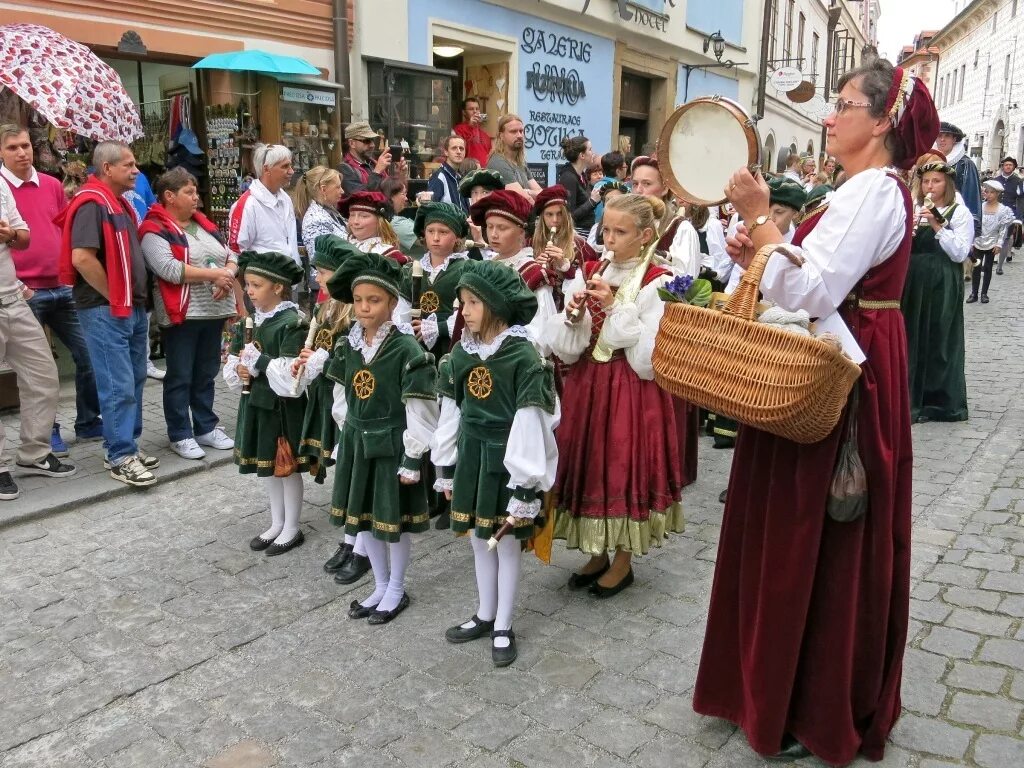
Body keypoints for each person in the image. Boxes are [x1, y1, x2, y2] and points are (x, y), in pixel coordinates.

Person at [694, 59, 939, 763]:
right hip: (825, 364)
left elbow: (811, 290)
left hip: (839, 379)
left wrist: (762, 221)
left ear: (883, 119)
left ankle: (809, 704)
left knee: (822, 536)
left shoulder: (873, 192)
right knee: (799, 530)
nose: (830, 115)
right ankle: (771, 688)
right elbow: (802, 273)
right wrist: (761, 246)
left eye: (844, 103)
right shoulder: (860, 188)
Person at [545, 193, 685, 597]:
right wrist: (575, 315)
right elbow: (571, 346)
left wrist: (613, 307)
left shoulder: (659, 279)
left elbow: (647, 358)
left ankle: (622, 559)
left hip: (630, 390)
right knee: (590, 462)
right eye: (606, 228)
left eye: (619, 231)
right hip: (589, 384)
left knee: (622, 465)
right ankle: (597, 552)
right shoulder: (592, 267)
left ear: (644, 236)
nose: (609, 238)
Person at [435, 260, 558, 665]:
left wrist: (525, 486)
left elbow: (531, 422)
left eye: (473, 302)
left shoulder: (522, 356)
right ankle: (484, 613)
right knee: (477, 540)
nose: (464, 310)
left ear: (497, 305)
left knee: (504, 545)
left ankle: (504, 622)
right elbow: (451, 413)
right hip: (472, 458)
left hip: (506, 461)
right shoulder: (460, 356)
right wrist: (447, 466)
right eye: (462, 302)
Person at [325, 251, 439, 624]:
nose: (363, 308)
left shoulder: (407, 349)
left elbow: (421, 411)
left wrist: (412, 456)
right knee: (363, 517)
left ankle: (397, 587)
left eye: (373, 300)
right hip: (359, 443)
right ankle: (379, 582)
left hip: (392, 444)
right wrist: (345, 436)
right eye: (358, 300)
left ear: (392, 302)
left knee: (394, 519)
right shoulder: (349, 345)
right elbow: (342, 397)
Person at [57, 141, 157, 488]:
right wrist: (117, 295)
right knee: (118, 384)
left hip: (127, 307)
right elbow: (81, 259)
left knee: (133, 379)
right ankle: (120, 455)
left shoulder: (114, 201)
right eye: (128, 165)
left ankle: (125, 445)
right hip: (106, 310)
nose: (136, 170)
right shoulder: (92, 203)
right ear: (106, 169)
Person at [0, 124, 102, 453]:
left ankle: (87, 421)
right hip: (22, 291)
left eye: (25, 145)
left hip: (60, 285)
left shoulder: (51, 184)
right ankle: (49, 431)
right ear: (1, 152)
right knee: (37, 370)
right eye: (13, 147)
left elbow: (62, 228)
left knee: (87, 354)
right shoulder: (2, 187)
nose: (22, 152)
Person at [139, 167, 239, 460]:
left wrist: (226, 275)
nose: (197, 198)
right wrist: (215, 275)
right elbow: (168, 269)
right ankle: (180, 433)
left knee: (206, 372)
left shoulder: (203, 224)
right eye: (189, 192)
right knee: (180, 375)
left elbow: (231, 255)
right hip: (182, 314)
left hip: (213, 310)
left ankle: (206, 426)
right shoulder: (153, 229)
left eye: (196, 191)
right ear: (169, 196)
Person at [222, 251, 308, 555]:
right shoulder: (248, 322)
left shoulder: (291, 323)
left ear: (278, 288)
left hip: (281, 408)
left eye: (256, 285)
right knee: (267, 466)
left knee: (286, 465)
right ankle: (276, 522)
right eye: (247, 284)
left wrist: (259, 362)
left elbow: (291, 376)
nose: (249, 291)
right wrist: (239, 370)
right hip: (255, 405)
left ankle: (292, 527)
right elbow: (232, 365)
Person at [0, 175, 77, 500]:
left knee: (43, 376)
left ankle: (33, 453)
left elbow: (24, 237)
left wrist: (10, 234)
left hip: (12, 298)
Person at [287, 238, 356, 569]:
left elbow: (351, 364)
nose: (317, 279)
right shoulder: (324, 308)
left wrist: (319, 360)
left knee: (349, 469)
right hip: (325, 395)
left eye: (323, 272)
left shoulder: (355, 313)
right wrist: (304, 362)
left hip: (347, 399)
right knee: (340, 469)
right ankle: (350, 536)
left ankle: (354, 540)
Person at [902, 152, 972, 422]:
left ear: (948, 185)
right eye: (927, 181)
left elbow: (959, 252)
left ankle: (938, 402)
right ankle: (910, 399)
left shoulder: (959, 212)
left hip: (942, 280)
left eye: (937, 181)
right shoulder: (915, 208)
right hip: (914, 279)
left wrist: (937, 225)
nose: (931, 186)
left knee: (938, 337)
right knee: (912, 335)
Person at [469, 190, 558, 353]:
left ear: (521, 232)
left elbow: (542, 334)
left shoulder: (533, 274)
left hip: (515, 362)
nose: (494, 234)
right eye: (489, 227)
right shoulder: (482, 269)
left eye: (502, 228)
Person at [401, 202, 472, 355]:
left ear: (457, 237)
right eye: (430, 231)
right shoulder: (410, 270)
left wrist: (440, 327)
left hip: (452, 348)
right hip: (416, 348)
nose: (435, 238)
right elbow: (401, 309)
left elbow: (471, 313)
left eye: (443, 232)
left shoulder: (466, 269)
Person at [228, 144, 301, 268]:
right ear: (266, 169)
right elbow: (236, 253)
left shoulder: (285, 198)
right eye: (285, 166)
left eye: (291, 165)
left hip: (290, 281)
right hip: (264, 283)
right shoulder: (247, 205)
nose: (291, 171)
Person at [531, 185, 597, 278]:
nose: (555, 220)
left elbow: (587, 280)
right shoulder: (531, 243)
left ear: (566, 215)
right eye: (549, 214)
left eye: (560, 214)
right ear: (542, 218)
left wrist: (563, 265)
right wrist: (534, 268)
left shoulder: (580, 246)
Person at [968, 179, 1014, 304]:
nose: (987, 194)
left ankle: (984, 294)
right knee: (976, 267)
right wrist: (972, 241)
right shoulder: (980, 207)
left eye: (990, 192)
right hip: (978, 241)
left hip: (992, 243)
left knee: (988, 268)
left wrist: (999, 243)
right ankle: (974, 293)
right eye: (986, 192)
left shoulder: (1003, 210)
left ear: (997, 194)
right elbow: (974, 226)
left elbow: (1003, 229)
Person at [934, 123, 981, 236]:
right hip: (932, 215)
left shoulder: (965, 164)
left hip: (955, 218)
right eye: (939, 136)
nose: (942, 139)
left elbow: (971, 196)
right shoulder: (930, 161)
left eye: (947, 136)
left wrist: (972, 228)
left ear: (954, 139)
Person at [339, 190, 408, 264]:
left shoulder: (389, 255)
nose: (355, 221)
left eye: (364, 216)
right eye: (352, 215)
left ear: (380, 222)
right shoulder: (339, 245)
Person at [295, 166, 349, 259]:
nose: (342, 191)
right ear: (323, 189)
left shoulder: (329, 210)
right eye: (338, 187)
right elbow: (322, 260)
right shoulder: (316, 221)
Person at [339, 121, 403, 195]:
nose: (372, 145)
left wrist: (400, 174)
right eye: (367, 141)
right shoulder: (344, 169)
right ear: (352, 143)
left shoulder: (373, 164)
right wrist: (377, 172)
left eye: (372, 140)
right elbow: (361, 197)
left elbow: (392, 193)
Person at [486, 115, 541, 201]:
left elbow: (542, 194)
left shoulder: (521, 163)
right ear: (501, 136)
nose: (519, 135)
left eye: (521, 131)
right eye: (513, 132)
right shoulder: (498, 163)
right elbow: (525, 199)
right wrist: (531, 194)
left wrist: (529, 192)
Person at [556, 135, 600, 235]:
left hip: (587, 231)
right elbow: (569, 216)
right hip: (577, 234)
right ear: (582, 155)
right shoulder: (568, 178)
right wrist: (592, 201)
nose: (593, 153)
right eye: (590, 149)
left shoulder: (582, 175)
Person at [459, 168, 505, 254]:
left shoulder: (504, 222)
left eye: (485, 192)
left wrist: (479, 239)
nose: (478, 198)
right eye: (475, 193)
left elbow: (501, 259)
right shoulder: (464, 223)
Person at [993, 156, 1022, 273]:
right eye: (1006, 165)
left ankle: (999, 265)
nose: (1008, 167)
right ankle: (992, 258)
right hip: (995, 211)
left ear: (1013, 167)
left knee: (1006, 237)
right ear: (1002, 166)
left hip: (1010, 212)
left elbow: (1020, 199)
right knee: (994, 235)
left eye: (1010, 165)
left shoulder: (1018, 181)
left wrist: (1019, 217)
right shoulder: (996, 180)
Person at [427, 135, 468, 212]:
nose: (459, 151)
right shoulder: (439, 177)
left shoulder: (461, 178)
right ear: (446, 152)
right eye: (454, 148)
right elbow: (431, 211)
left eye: (461, 148)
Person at [587, 181, 629, 253]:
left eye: (616, 200)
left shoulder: (630, 228)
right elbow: (588, 252)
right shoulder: (596, 228)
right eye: (608, 200)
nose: (611, 204)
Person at [452, 97, 492, 168]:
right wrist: (470, 126)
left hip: (484, 172)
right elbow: (458, 150)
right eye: (471, 109)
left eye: (477, 109)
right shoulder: (458, 129)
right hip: (467, 172)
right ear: (464, 112)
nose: (475, 111)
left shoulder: (485, 135)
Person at [381, 178, 417, 252]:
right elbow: (432, 239)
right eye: (403, 194)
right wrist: (425, 208)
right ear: (391, 196)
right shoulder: (395, 223)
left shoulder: (390, 219)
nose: (406, 198)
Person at [593, 151, 629, 223]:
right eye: (625, 167)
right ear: (618, 171)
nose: (626, 168)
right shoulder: (621, 190)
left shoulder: (597, 185)